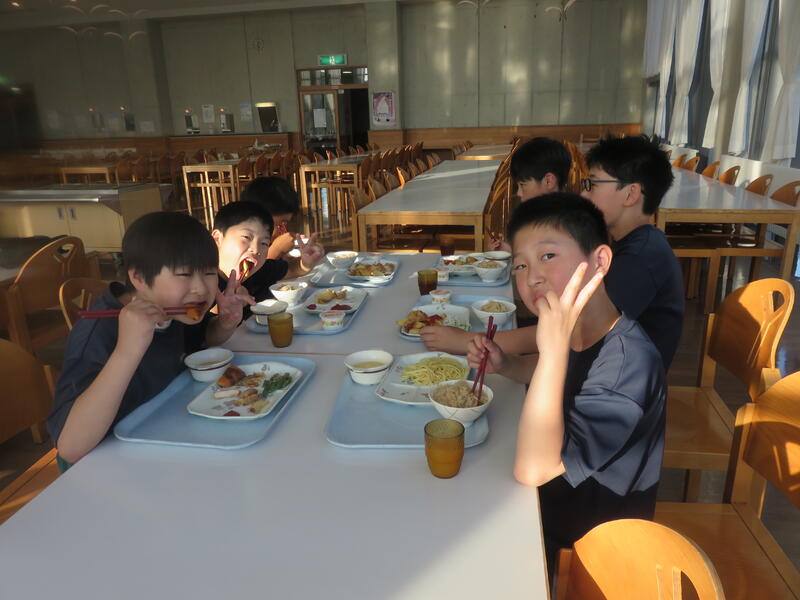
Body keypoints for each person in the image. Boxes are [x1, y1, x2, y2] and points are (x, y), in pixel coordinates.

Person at [467, 194, 666, 577]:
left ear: (600, 261)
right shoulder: (585, 328)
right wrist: (508, 365)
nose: (532, 277)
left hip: (585, 549)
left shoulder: (627, 366)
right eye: (520, 265)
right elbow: (567, 380)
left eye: (548, 256)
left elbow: (534, 470)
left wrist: (552, 350)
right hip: (542, 511)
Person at [424, 134, 683, 372]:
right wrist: (507, 364)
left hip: (611, 391)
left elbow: (568, 333)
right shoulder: (632, 245)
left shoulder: (639, 260)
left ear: (630, 193)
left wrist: (467, 341)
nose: (584, 194)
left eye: (592, 184)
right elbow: (568, 343)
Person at [48, 212, 249, 466]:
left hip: (161, 436)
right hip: (104, 463)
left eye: (209, 273)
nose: (201, 288)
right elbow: (70, 448)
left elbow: (205, 340)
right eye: (185, 274)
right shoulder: (97, 331)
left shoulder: (172, 309)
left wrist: (225, 323)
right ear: (140, 278)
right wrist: (128, 350)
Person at [489, 137, 572, 252]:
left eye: (523, 185)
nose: (519, 193)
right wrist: (508, 250)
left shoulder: (563, 225)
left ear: (549, 181)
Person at [240, 176, 325, 277]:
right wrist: (276, 250)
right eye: (281, 224)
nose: (285, 231)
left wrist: (306, 263)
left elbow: (285, 271)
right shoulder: (239, 244)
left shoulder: (265, 242)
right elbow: (249, 277)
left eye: (286, 224)